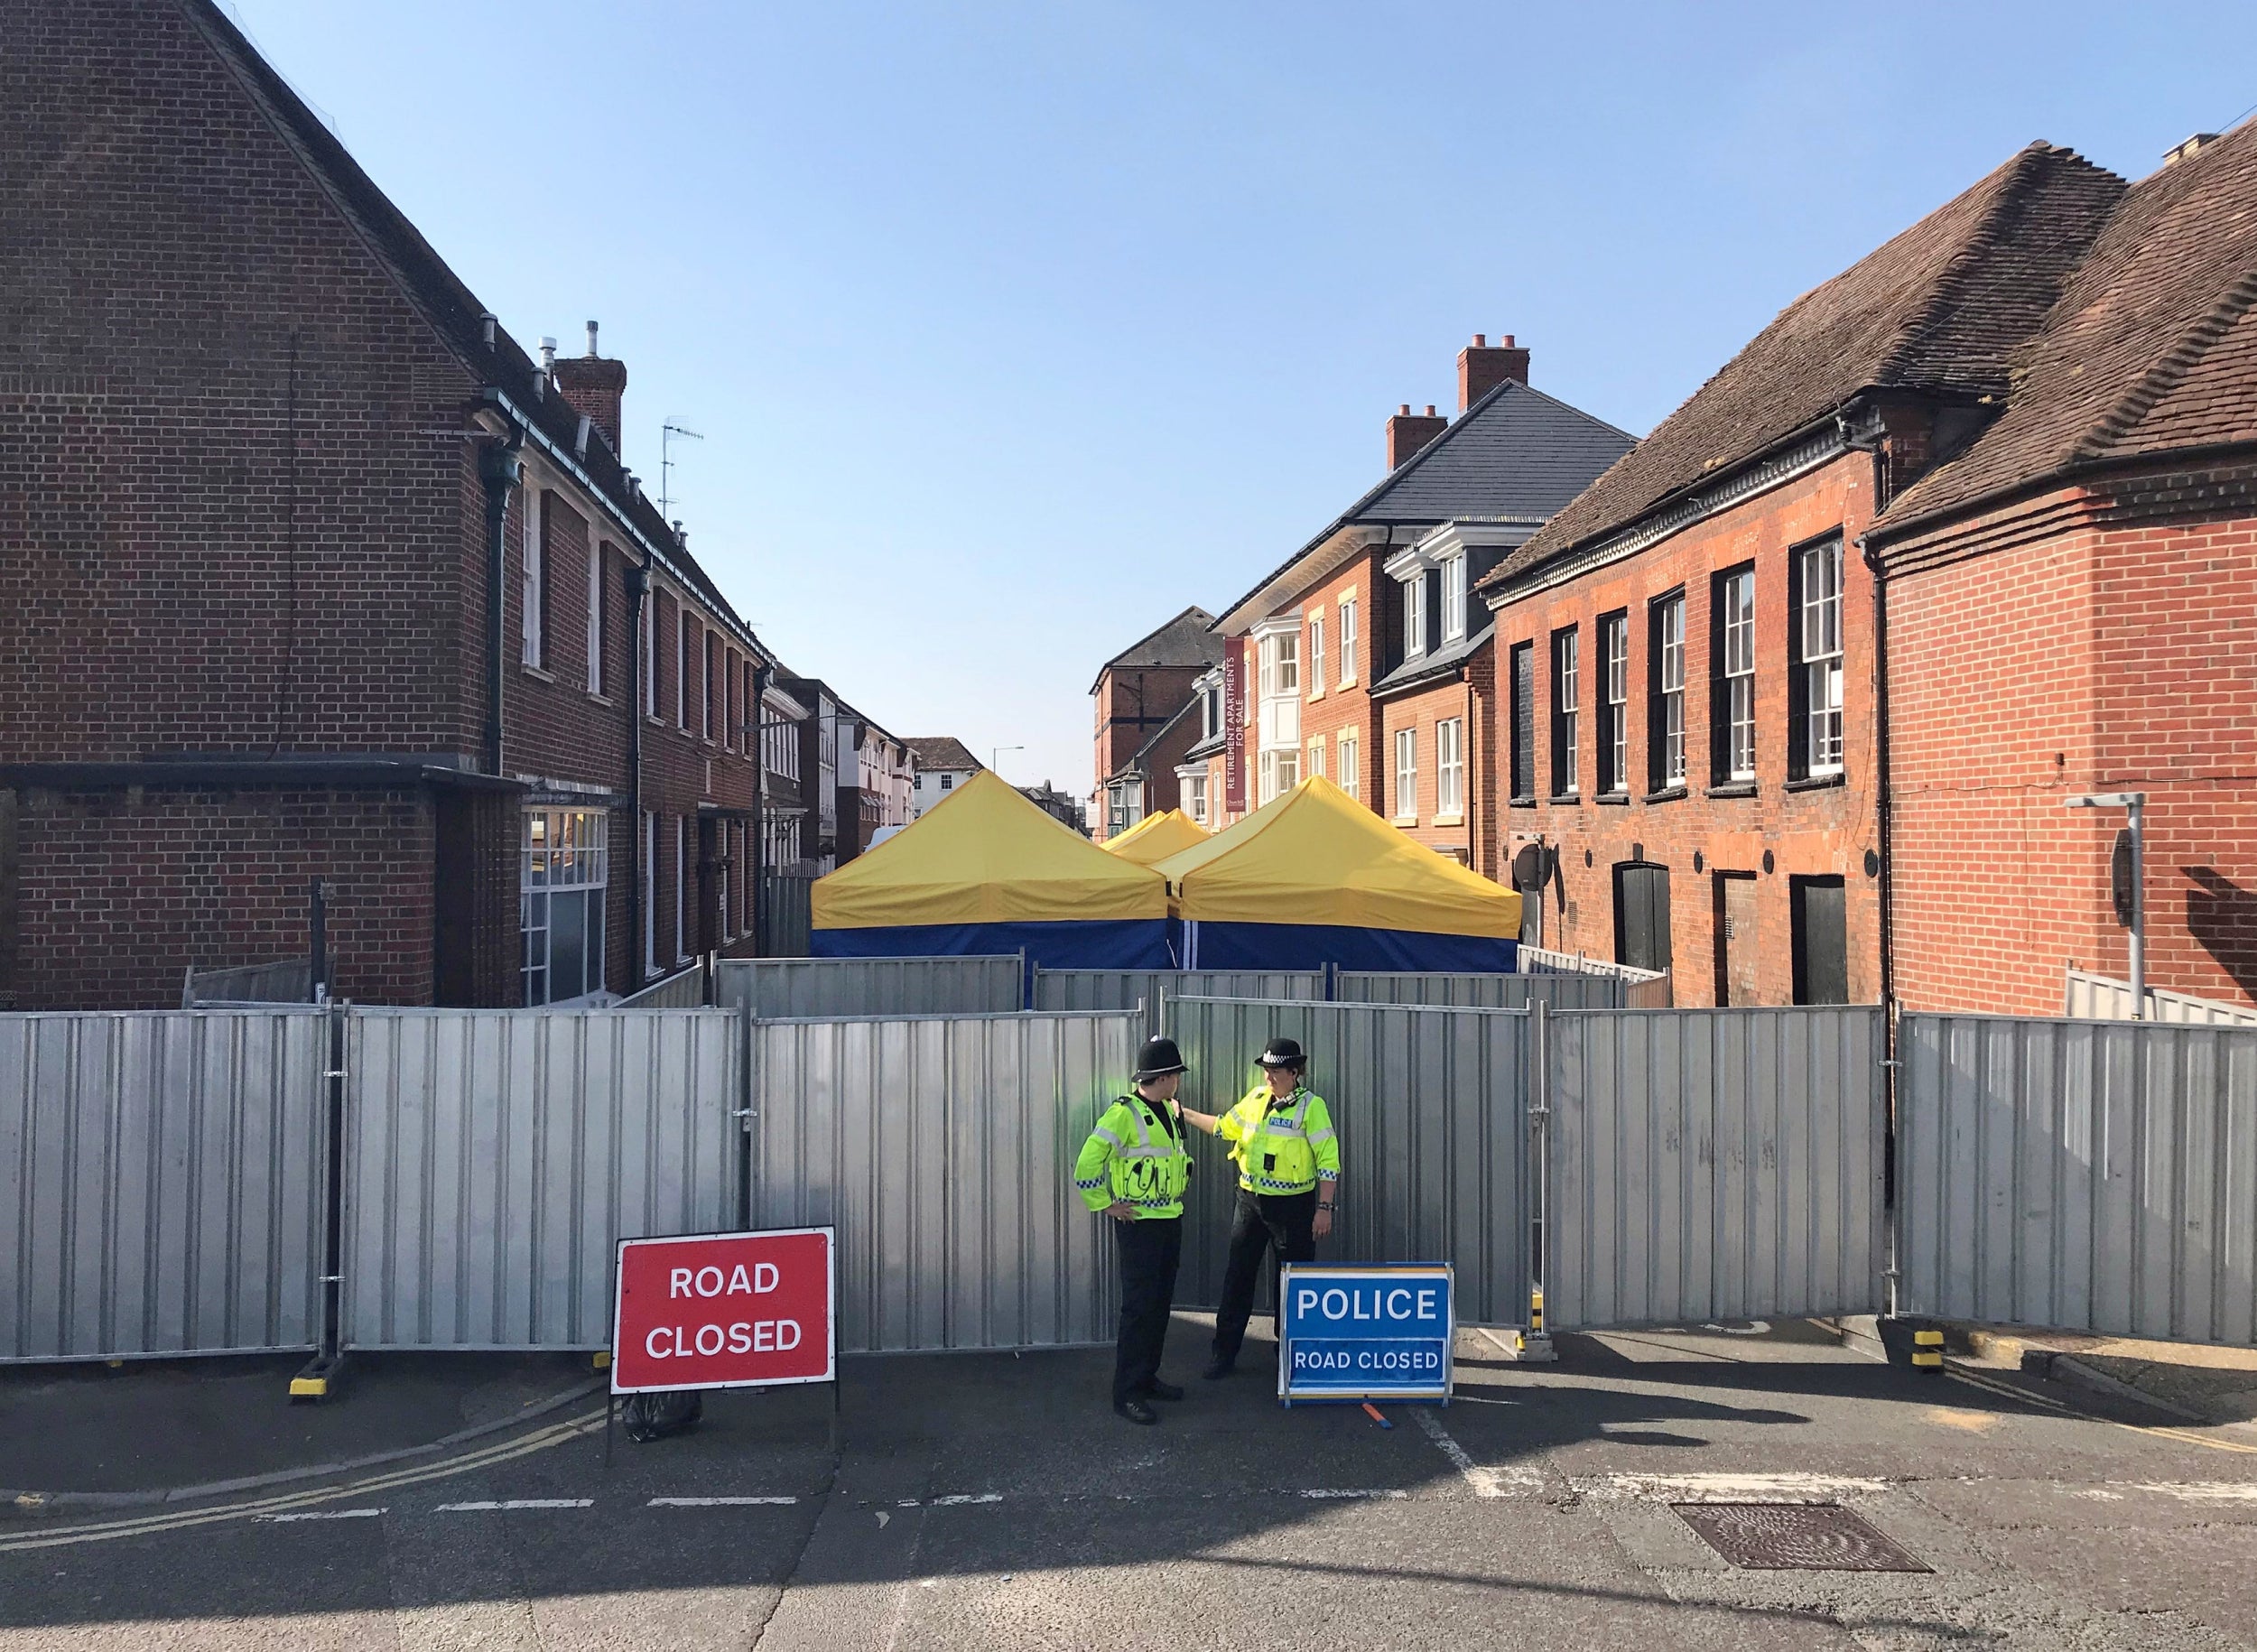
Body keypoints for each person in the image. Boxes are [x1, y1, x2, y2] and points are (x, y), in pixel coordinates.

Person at [1176, 1035, 1339, 1380]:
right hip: (1250, 1202)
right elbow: (1223, 1127)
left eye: (1275, 1071)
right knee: (1238, 1278)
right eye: (1266, 1069)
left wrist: (1324, 1208)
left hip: (1294, 1208)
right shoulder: (1255, 1099)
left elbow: (1328, 1162)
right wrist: (1185, 1113)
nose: (1268, 1077)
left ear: (1295, 1072)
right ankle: (1224, 1353)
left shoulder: (1312, 1107)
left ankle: (1290, 1356)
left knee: (1292, 1285)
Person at [1073, 1034, 1194, 1425]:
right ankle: (1126, 1393)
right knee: (1139, 1310)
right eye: (1174, 1074)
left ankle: (1147, 1377)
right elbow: (1086, 1165)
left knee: (1159, 1306)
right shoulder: (1123, 1113)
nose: (1177, 1080)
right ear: (1163, 1077)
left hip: (1169, 1220)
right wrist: (1106, 1205)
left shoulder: (1169, 1111)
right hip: (1140, 1225)